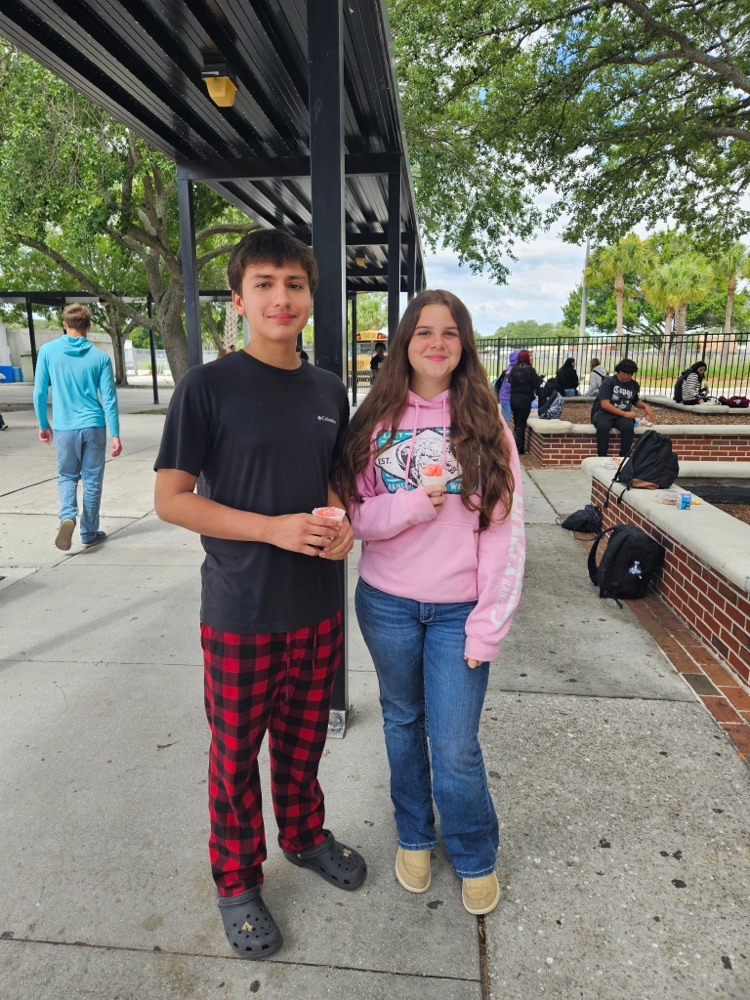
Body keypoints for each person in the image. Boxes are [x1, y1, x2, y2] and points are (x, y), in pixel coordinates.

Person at [153, 228, 366, 961]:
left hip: (317, 608)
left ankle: (304, 836)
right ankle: (238, 880)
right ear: (239, 299)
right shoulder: (207, 387)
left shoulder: (328, 388)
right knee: (235, 758)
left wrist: (340, 523)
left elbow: (334, 478)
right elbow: (172, 499)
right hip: (240, 611)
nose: (282, 298)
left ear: (310, 296)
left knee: (303, 746)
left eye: (294, 284)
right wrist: (271, 530)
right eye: (265, 284)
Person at [337, 288, 525, 917]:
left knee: (455, 745)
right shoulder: (373, 421)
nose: (436, 342)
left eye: (449, 332)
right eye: (423, 331)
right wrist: (415, 503)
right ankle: (414, 835)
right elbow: (355, 517)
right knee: (401, 723)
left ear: (464, 343)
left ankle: (474, 852)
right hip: (387, 604)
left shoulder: (487, 425)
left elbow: (505, 533)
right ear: (404, 342)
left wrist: (487, 625)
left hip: (458, 612)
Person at [32, 303, 121, 550]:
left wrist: (43, 424)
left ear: (64, 324)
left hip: (64, 427)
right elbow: (109, 399)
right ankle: (89, 532)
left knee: (68, 476)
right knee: (92, 480)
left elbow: (39, 392)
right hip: (93, 426)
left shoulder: (48, 351)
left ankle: (67, 516)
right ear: (88, 326)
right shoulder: (100, 357)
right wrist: (115, 433)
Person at [591, 358, 655, 457]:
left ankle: (624, 457)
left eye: (632, 373)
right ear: (620, 371)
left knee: (628, 427)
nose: (630, 376)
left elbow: (635, 401)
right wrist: (625, 414)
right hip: (605, 413)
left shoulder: (633, 385)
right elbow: (605, 404)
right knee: (603, 427)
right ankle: (602, 456)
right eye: (628, 373)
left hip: (622, 416)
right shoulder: (608, 382)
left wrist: (645, 406)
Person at [508, 349, 543, 454]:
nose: (532, 358)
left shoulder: (514, 369)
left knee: (517, 423)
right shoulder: (530, 370)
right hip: (524, 400)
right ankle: (519, 448)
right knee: (521, 424)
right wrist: (541, 377)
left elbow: (510, 381)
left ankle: (515, 445)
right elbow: (536, 384)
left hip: (513, 399)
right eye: (530, 356)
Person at [495, 349, 519, 423]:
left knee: (510, 418)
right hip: (506, 398)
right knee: (506, 420)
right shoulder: (511, 369)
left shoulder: (514, 368)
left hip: (511, 398)